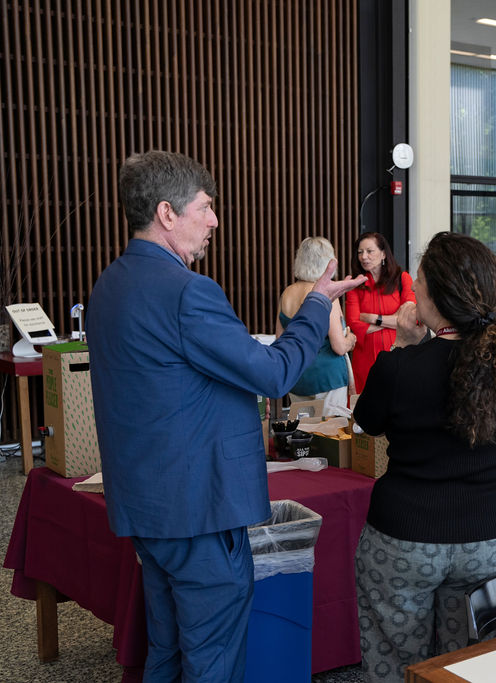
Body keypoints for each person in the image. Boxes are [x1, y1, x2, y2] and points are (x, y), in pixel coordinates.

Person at [87, 150, 365, 681]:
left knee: (166, 651)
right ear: (168, 214)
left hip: (145, 505)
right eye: (206, 208)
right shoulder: (190, 292)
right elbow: (274, 374)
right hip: (198, 511)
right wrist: (317, 304)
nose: (215, 220)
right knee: (213, 661)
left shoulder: (110, 285)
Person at [353, 232, 496, 682]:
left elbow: (365, 422)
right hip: (489, 537)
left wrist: (403, 344)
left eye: (418, 282)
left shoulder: (401, 366)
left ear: (437, 296)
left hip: (403, 538)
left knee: (394, 658)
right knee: (467, 665)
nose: (413, 289)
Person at [276, 236, 357, 415]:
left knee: (304, 435)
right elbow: (339, 346)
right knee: (330, 435)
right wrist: (351, 339)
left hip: (297, 377)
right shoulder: (326, 295)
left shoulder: (287, 294)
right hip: (328, 379)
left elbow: (280, 340)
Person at [345, 232, 416, 393]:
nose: (364, 257)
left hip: (398, 355)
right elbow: (354, 325)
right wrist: (394, 321)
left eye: (370, 251)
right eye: (360, 252)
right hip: (364, 361)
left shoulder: (402, 279)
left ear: (383, 253)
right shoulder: (354, 285)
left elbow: (410, 317)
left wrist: (371, 318)